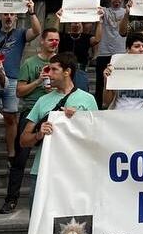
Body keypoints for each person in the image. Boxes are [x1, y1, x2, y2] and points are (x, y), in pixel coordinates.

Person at [19, 53, 98, 204]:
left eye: (54, 70)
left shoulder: (88, 100)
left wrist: (78, 120)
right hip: (44, 170)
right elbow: (23, 140)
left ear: (67, 72)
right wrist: (38, 134)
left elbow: (96, 137)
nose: (49, 74)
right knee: (38, 222)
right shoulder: (42, 101)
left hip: (75, 172)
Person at [0, 28, 59, 214]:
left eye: (57, 40)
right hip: (32, 111)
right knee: (20, 158)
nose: (54, 43)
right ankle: (11, 199)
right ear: (42, 41)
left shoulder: (62, 63)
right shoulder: (30, 63)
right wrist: (38, 81)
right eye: (50, 40)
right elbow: (19, 91)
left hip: (55, 112)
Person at [0, 0, 41, 159]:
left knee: (11, 116)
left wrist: (32, 12)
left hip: (11, 79)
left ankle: (11, 152)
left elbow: (37, 31)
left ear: (16, 17)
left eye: (12, 14)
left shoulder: (20, 34)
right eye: (5, 14)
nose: (8, 17)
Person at [102, 33, 143, 110]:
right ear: (128, 49)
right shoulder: (117, 66)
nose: (141, 49)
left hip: (141, 117)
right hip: (119, 116)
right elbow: (106, 102)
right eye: (137, 46)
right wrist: (107, 80)